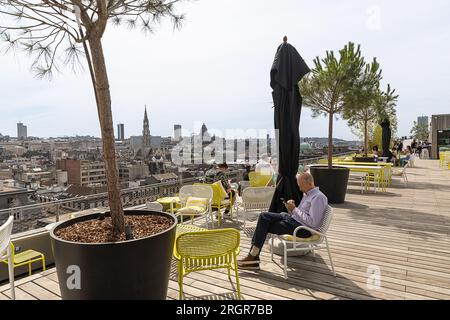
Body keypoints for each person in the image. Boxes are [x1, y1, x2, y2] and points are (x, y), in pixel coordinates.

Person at [238, 172, 328, 270]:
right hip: (294, 221)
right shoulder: (308, 194)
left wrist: (294, 209)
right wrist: (291, 209)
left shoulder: (318, 197)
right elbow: (302, 215)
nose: (300, 189)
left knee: (264, 225)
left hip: (303, 230)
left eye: (301, 186)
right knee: (263, 216)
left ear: (309, 183)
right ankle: (253, 257)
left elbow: (313, 223)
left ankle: (253, 257)